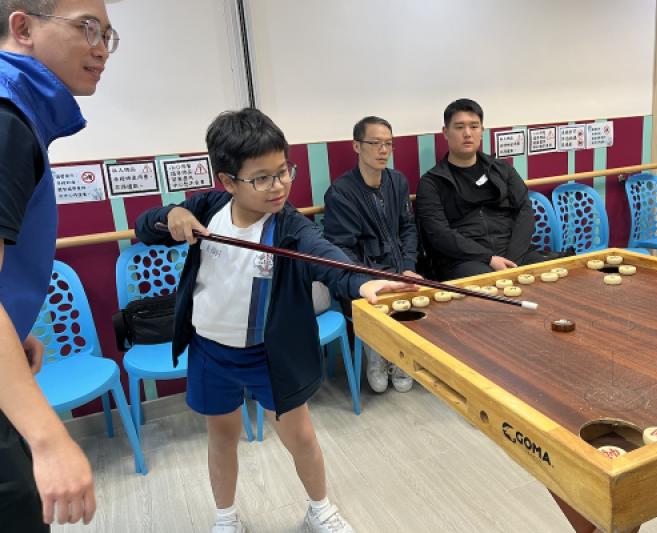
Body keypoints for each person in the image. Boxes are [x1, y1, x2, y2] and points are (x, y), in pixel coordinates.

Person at [135, 108, 415, 533]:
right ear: (228, 181)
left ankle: (320, 509)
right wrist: (171, 213)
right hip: (210, 350)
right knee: (221, 436)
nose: (279, 185)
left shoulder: (290, 226)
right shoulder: (208, 207)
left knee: (300, 437)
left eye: (284, 171)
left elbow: (327, 257)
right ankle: (226, 518)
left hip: (267, 354)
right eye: (262, 178)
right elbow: (145, 227)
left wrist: (362, 282)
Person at [0, 1, 118, 529]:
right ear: (22, 27)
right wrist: (49, 439)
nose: (101, 48)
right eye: (87, 28)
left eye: (108, 35)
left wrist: (12, 327)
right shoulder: (6, 121)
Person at [323, 116, 418, 394]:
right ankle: (376, 353)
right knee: (376, 299)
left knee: (415, 291)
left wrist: (409, 265)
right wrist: (370, 278)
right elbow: (342, 249)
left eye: (388, 143)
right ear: (356, 146)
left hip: (399, 268)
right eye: (375, 143)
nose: (383, 150)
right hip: (363, 275)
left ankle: (401, 357)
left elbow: (408, 228)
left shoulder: (397, 181)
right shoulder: (341, 192)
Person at [415, 98, 543, 280]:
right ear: (445, 132)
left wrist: (513, 258)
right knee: (489, 285)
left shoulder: (501, 169)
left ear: (482, 131)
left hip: (512, 252)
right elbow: (440, 234)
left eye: (474, 126)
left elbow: (525, 209)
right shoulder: (432, 182)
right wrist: (489, 258)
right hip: (464, 260)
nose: (467, 133)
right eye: (459, 127)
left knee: (557, 269)